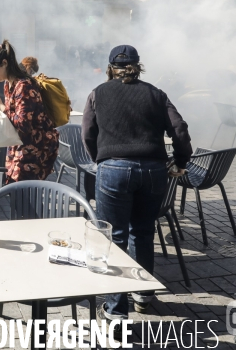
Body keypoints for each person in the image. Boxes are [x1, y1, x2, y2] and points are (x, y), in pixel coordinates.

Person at [81, 45, 192, 331]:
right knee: (142, 232)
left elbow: (87, 134)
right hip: (154, 171)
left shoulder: (97, 93)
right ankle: (143, 294)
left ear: (110, 68)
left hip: (113, 169)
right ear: (138, 66)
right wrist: (180, 160)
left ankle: (116, 310)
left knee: (115, 237)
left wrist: (101, 160)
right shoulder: (156, 94)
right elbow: (179, 130)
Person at [0, 40, 59, 184]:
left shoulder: (24, 85)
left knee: (23, 194)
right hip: (18, 144)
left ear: (4, 63)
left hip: (35, 147)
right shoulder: (8, 83)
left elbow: (23, 124)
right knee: (14, 190)